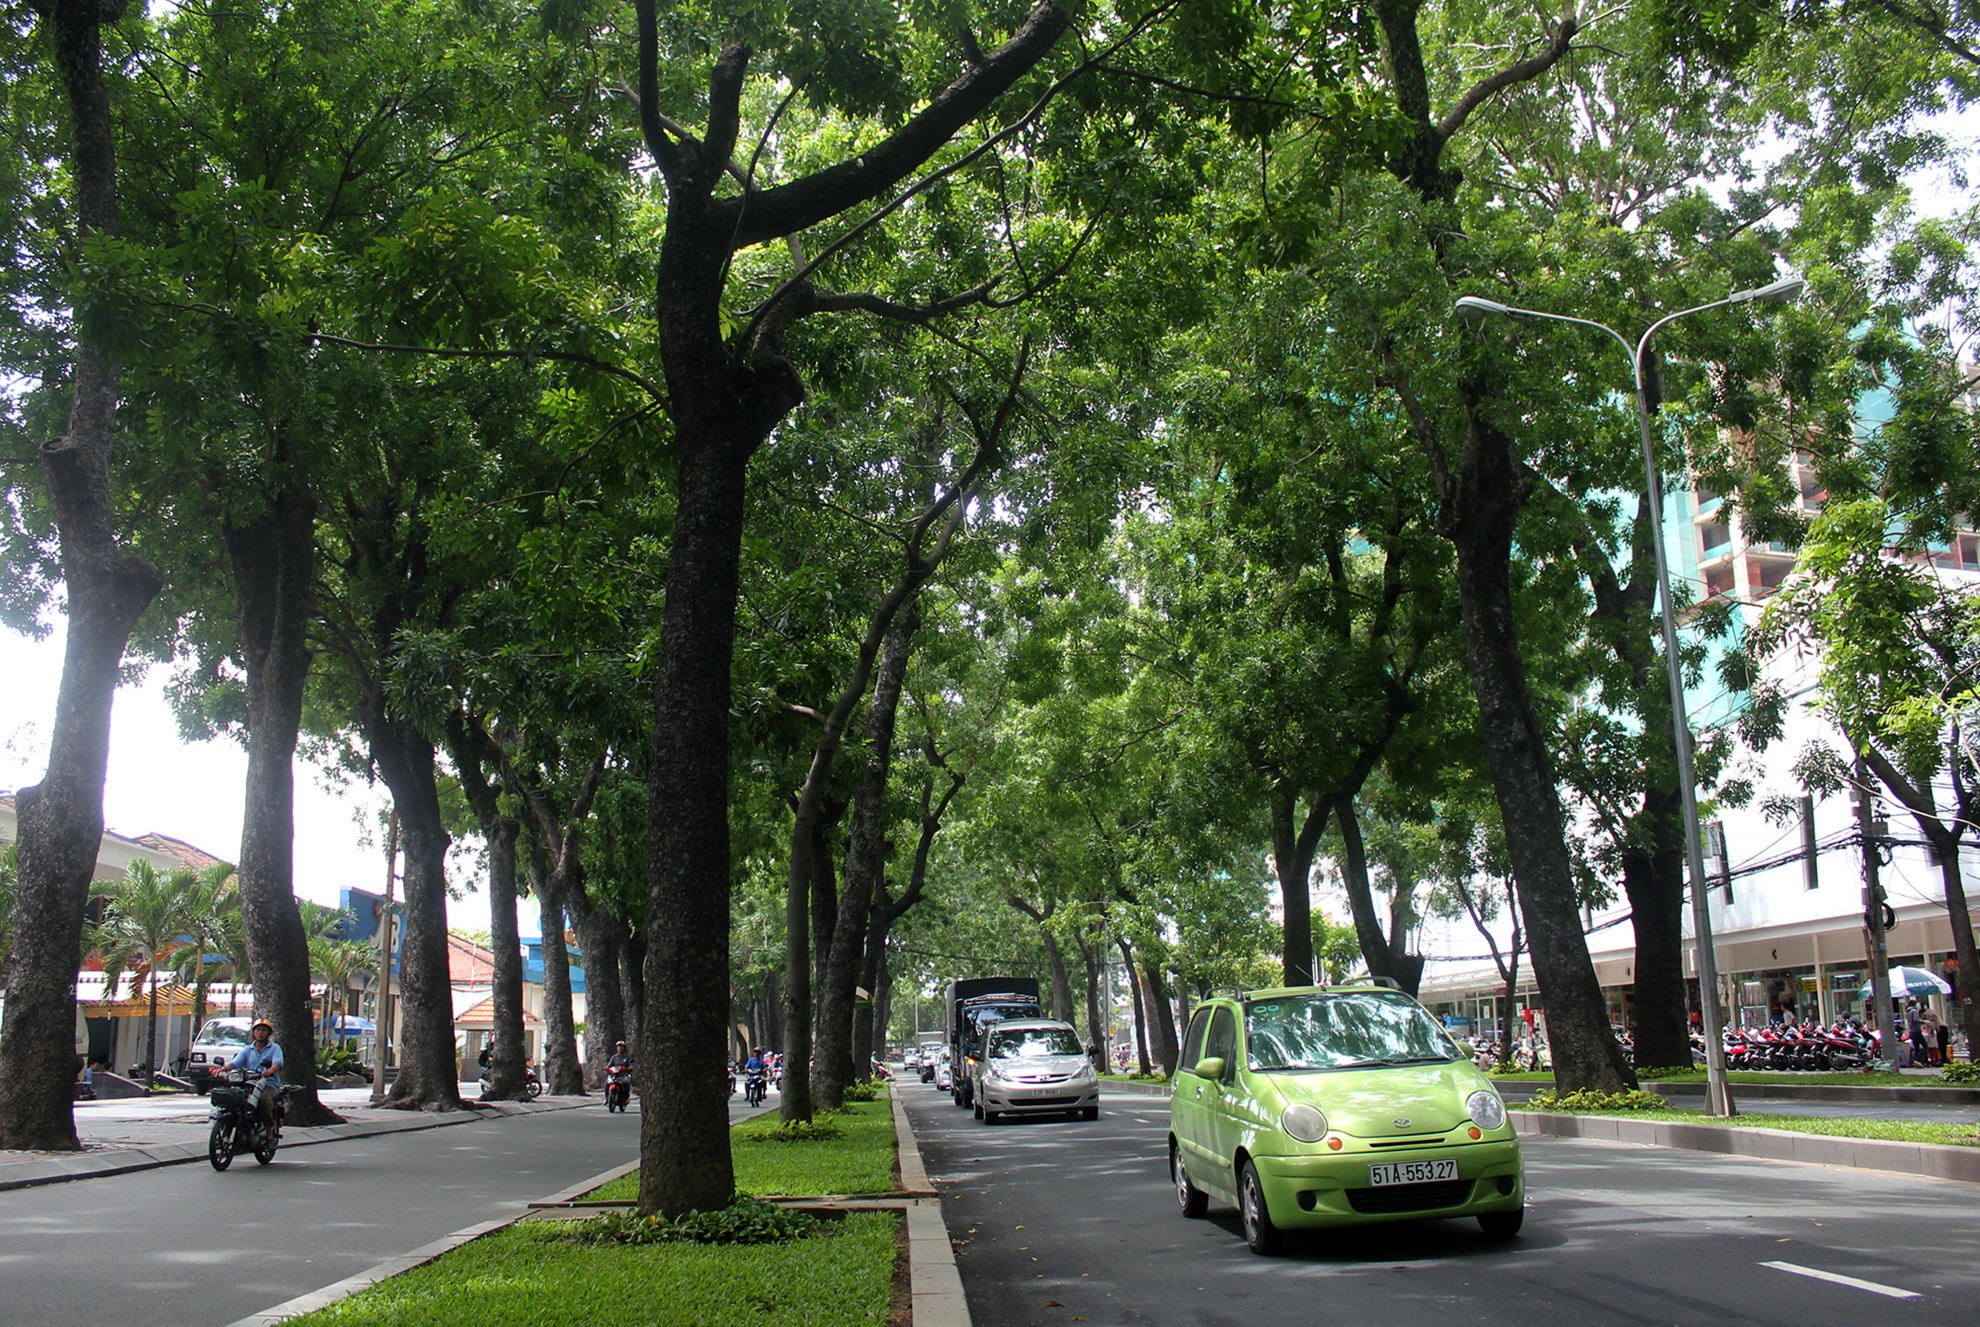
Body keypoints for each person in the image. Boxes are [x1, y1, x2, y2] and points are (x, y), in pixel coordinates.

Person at [227, 1018, 285, 1136]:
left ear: (268, 1033)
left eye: (263, 1030)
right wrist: (222, 1069)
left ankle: (269, 1129)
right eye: (258, 1030)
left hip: (269, 1084)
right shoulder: (248, 1049)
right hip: (249, 1083)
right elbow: (235, 1063)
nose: (260, 1032)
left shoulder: (275, 1048)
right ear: (253, 1032)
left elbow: (278, 1063)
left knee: (264, 1100)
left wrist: (270, 1071)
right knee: (235, 1098)